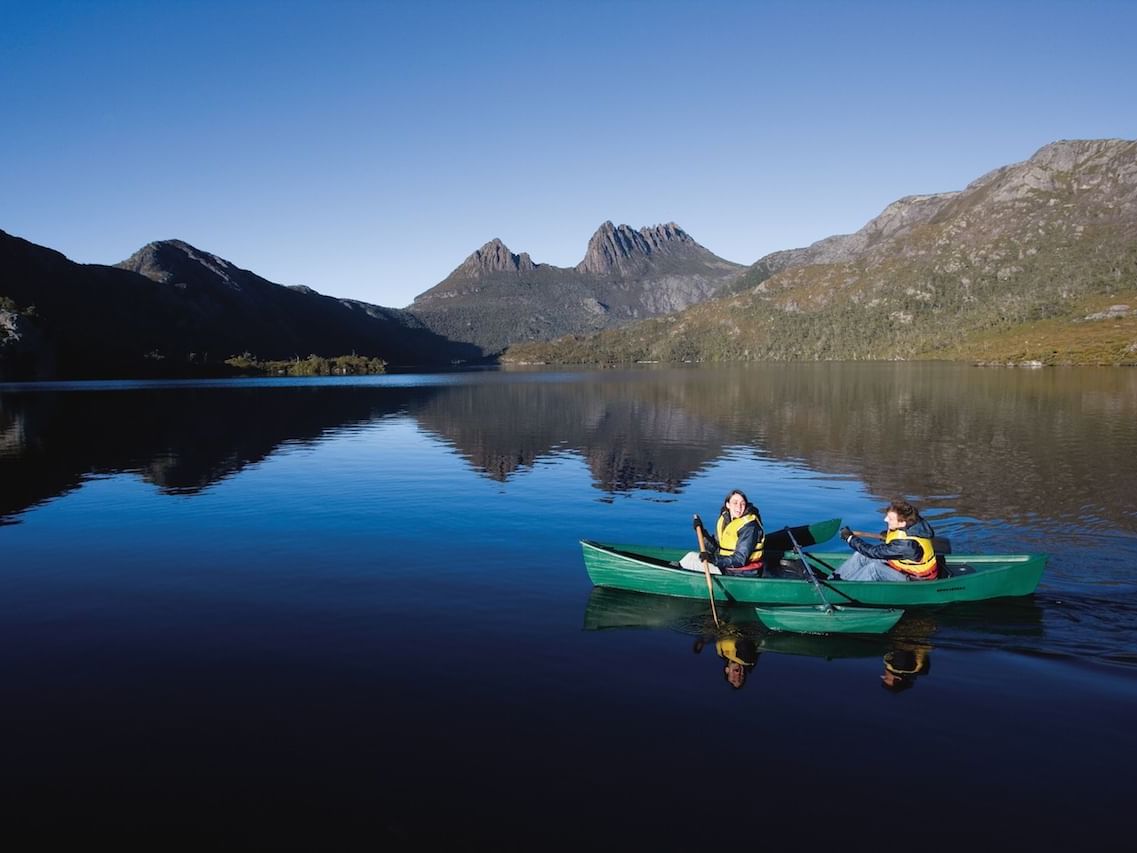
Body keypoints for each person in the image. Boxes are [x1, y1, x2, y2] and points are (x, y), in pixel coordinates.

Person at [833, 499, 939, 582]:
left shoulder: (906, 545)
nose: (885, 520)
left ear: (902, 523)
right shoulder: (913, 523)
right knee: (860, 555)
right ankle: (833, 580)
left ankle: (842, 591)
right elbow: (896, 536)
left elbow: (873, 552)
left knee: (873, 569)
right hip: (902, 567)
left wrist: (850, 538)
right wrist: (886, 536)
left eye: (890, 519)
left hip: (915, 578)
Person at [678, 489, 766, 576]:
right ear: (728, 505)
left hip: (740, 572)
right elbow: (716, 548)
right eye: (735, 503)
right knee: (690, 556)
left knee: (688, 563)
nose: (739, 507)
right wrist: (701, 532)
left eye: (742, 503)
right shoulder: (726, 520)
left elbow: (739, 560)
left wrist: (713, 560)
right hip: (726, 566)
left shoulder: (749, 527)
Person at [692, 632, 760, 690]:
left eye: (734, 680)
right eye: (741, 678)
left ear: (727, 670)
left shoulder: (722, 653)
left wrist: (702, 641)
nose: (737, 676)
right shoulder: (747, 658)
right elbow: (744, 645)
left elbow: (714, 636)